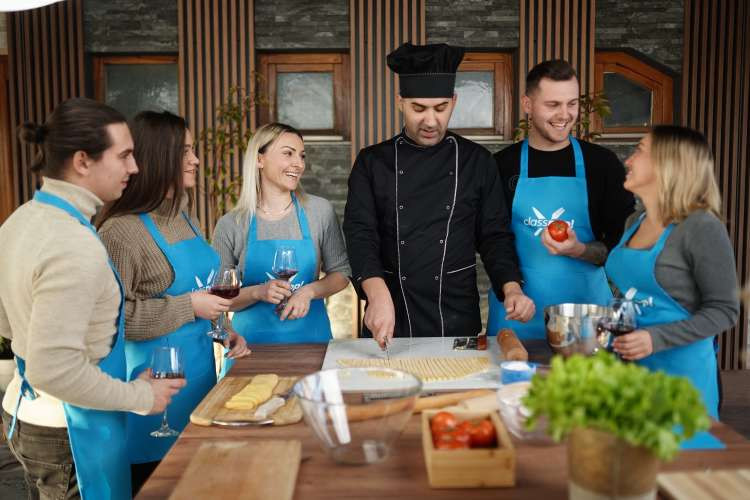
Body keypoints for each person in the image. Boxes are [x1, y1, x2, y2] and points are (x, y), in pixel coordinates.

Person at [0, 98, 185, 500]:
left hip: (25, 414)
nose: (134, 168)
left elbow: (6, 325)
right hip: (70, 430)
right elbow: (55, 369)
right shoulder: (72, 243)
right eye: (124, 156)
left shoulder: (20, 221)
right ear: (83, 161)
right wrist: (140, 396)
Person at [98, 110, 251, 492]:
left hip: (199, 383)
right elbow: (112, 322)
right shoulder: (121, 232)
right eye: (184, 151)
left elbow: (204, 291)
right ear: (155, 158)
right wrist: (190, 307)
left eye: (193, 150)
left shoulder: (185, 218)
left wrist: (222, 329)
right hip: (152, 392)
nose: (195, 159)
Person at [343, 42, 534, 348]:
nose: (430, 121)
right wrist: (376, 293)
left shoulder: (477, 161)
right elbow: (360, 233)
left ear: (454, 101)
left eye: (441, 108)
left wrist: (511, 287)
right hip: (390, 311)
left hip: (456, 314)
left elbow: (494, 235)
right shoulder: (372, 162)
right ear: (400, 102)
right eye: (418, 108)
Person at [490, 60, 634, 340]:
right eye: (553, 104)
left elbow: (621, 245)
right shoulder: (500, 166)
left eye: (571, 104)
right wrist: (512, 289)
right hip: (517, 313)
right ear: (527, 105)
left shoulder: (601, 165)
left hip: (587, 318)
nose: (564, 115)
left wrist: (577, 249)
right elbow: (492, 241)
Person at [605, 125, 739, 418]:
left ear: (667, 163)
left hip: (681, 379)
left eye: (639, 150)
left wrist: (655, 339)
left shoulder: (701, 227)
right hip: (630, 375)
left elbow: (725, 310)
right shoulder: (634, 223)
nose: (628, 160)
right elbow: (627, 294)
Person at [212, 122, 350, 346]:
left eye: (302, 156)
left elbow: (342, 274)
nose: (299, 164)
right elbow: (219, 300)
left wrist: (309, 291)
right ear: (259, 159)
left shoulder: (319, 211)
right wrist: (258, 292)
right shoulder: (231, 224)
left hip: (312, 342)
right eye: (288, 154)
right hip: (249, 348)